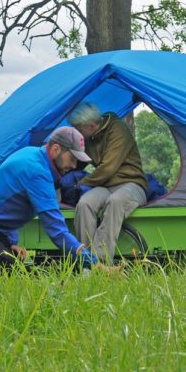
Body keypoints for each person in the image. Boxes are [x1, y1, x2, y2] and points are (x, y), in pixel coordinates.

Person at [0, 126, 102, 273]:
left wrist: (10, 243)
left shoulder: (31, 153)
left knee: (15, 271)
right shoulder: (37, 171)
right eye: (72, 158)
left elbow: (9, 203)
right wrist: (94, 264)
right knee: (17, 275)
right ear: (56, 149)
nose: (74, 165)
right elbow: (57, 231)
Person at [68, 102, 148, 263]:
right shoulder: (88, 137)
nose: (76, 132)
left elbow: (108, 168)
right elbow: (79, 161)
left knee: (115, 201)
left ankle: (100, 262)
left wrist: (81, 183)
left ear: (91, 126)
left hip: (131, 184)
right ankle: (86, 262)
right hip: (106, 186)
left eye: (78, 128)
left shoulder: (118, 130)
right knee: (84, 204)